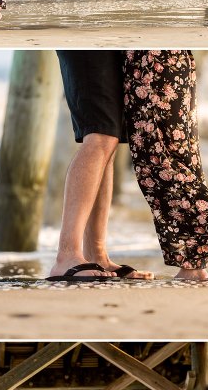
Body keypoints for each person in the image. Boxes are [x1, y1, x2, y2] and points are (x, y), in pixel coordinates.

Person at [123, 50, 208, 281]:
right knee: (182, 158)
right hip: (173, 59)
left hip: (151, 62)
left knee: (153, 163)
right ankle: (192, 264)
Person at [48, 51, 153, 283]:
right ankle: (66, 254)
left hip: (112, 38)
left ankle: (97, 253)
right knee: (99, 134)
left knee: (109, 139)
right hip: (82, 35)